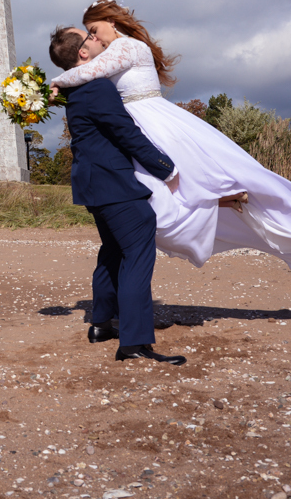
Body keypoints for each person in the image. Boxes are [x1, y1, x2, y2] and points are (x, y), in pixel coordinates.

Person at [48, 1, 291, 327]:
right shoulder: (111, 54)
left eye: (95, 30)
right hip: (139, 129)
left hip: (156, 128)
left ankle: (224, 205)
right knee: (150, 207)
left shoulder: (127, 47)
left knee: (168, 193)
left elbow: (82, 72)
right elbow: (85, 70)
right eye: (89, 34)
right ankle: (214, 205)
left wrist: (49, 84)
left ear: (112, 23)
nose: (94, 37)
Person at [54, 36, 187, 365]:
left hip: (92, 183)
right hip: (112, 183)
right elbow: (125, 132)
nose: (96, 39)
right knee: (137, 252)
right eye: (89, 37)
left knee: (113, 251)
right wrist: (164, 168)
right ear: (84, 52)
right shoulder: (97, 89)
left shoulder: (75, 90)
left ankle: (101, 324)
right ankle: (135, 341)